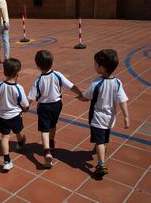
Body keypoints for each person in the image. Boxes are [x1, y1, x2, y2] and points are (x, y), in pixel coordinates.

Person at [77, 49, 129, 179]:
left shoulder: (96, 83)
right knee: (105, 136)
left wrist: (80, 98)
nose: (94, 65)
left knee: (99, 141)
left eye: (95, 64)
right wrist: (126, 116)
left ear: (102, 68)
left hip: (97, 118)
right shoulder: (118, 82)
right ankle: (102, 148)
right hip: (110, 118)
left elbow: (87, 96)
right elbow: (122, 100)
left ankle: (101, 164)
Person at [28, 50, 83, 168]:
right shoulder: (58, 75)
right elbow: (71, 86)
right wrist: (81, 94)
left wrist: (24, 108)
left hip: (43, 107)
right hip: (57, 105)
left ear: (37, 65)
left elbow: (30, 98)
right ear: (52, 63)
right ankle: (52, 142)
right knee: (53, 125)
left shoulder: (38, 81)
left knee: (44, 130)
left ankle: (47, 150)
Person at [0, 58, 29, 171]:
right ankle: (20, 143)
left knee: (5, 137)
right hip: (15, 116)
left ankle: (6, 161)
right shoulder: (18, 88)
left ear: (4, 72)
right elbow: (25, 104)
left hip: (2, 116)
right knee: (19, 131)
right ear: (17, 74)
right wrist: (25, 109)